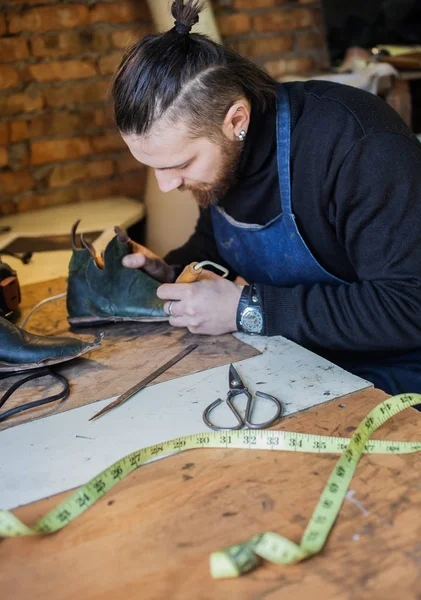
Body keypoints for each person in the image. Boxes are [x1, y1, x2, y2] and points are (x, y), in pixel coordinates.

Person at [111, 0, 421, 397]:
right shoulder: (224, 162)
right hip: (306, 364)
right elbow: (217, 247)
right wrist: (173, 273)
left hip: (398, 377)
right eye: (151, 166)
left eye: (180, 163)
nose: (167, 185)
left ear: (236, 120)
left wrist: (247, 309)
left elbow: (408, 305)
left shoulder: (357, 146)